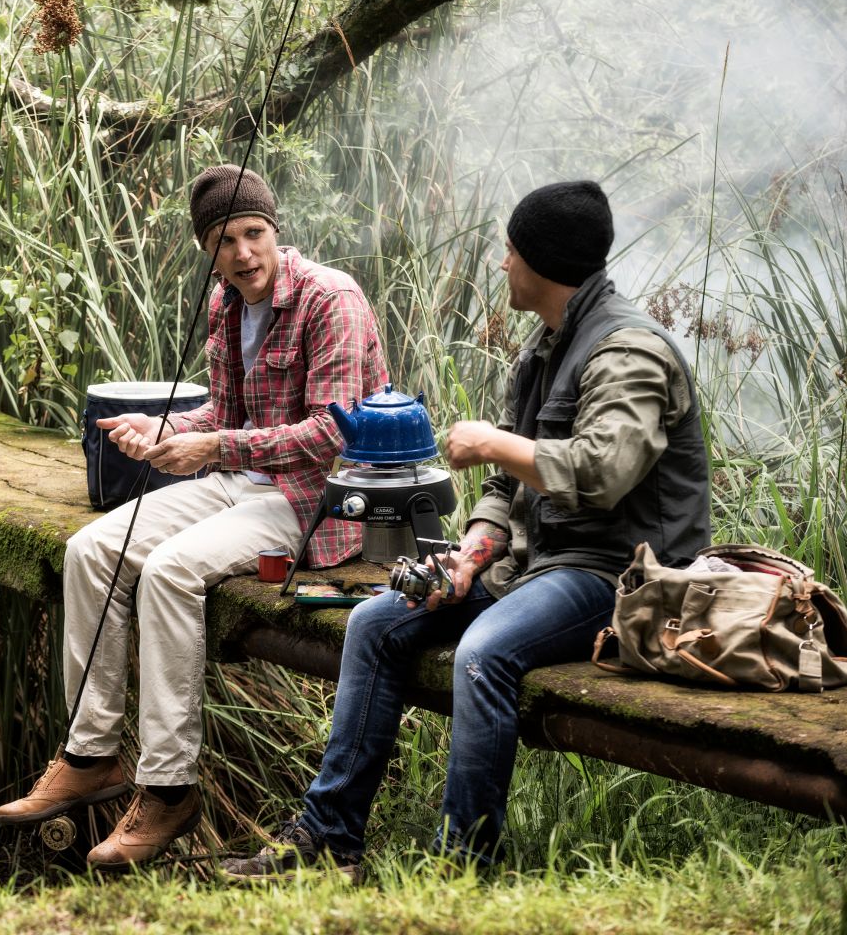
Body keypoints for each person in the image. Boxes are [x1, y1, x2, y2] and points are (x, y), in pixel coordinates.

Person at [219, 179, 711, 879]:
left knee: (483, 653)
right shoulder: (547, 346)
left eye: (511, 251)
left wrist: (491, 442)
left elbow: (603, 471)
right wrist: (470, 559)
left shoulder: (627, 353)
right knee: (376, 622)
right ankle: (328, 842)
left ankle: (461, 869)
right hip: (537, 565)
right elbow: (507, 491)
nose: (502, 264)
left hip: (619, 575)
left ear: (542, 263)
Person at [0, 164, 388, 868]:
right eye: (224, 241)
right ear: (208, 250)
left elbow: (333, 433)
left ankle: (169, 788)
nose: (243, 253)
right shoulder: (225, 304)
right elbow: (227, 413)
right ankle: (90, 754)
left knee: (170, 571)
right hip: (239, 482)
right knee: (91, 550)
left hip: (314, 501)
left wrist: (214, 446)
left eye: (254, 233)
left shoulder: (331, 299)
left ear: (275, 231)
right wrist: (166, 428)